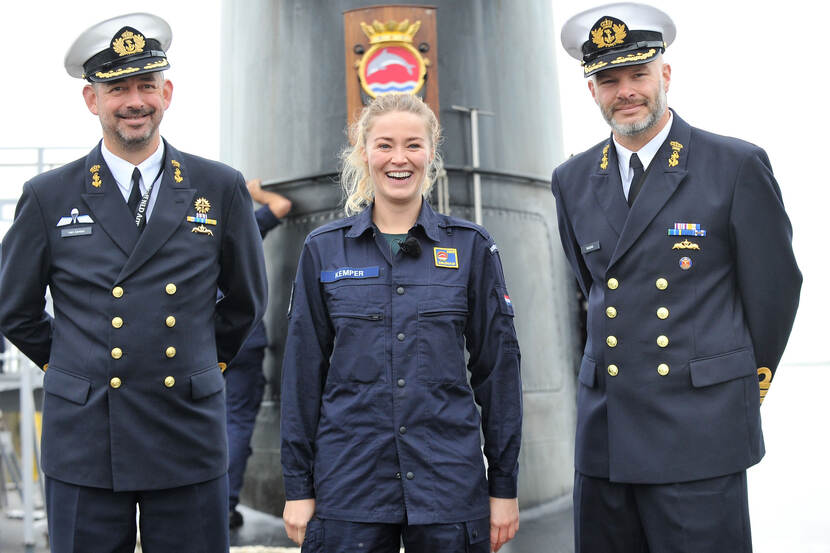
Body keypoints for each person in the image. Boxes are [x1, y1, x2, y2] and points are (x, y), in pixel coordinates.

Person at [0, 13, 267, 553]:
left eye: (146, 85)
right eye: (117, 88)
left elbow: (246, 303)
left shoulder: (219, 187)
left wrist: (197, 362)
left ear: (167, 93)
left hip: (185, 426)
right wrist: (76, 364)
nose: (134, 101)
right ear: (91, 100)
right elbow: (15, 308)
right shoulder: (49, 194)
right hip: (87, 433)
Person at [552, 4, 802, 552]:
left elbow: (775, 293)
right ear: (590, 88)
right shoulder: (570, 179)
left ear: (665, 75)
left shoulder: (732, 165)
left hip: (699, 433)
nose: (626, 92)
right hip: (607, 438)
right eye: (609, 80)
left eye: (638, 74)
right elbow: (589, 289)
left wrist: (736, 388)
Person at [280, 93, 522, 553]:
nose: (399, 158)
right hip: (350, 487)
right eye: (384, 144)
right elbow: (301, 375)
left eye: (413, 145)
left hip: (448, 485)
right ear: (363, 152)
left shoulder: (471, 248)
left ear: (431, 153)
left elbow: (499, 374)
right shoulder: (323, 249)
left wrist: (504, 487)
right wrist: (297, 487)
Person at [226, 178, 291, 530]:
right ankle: (225, 505)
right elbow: (281, 205)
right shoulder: (243, 224)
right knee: (236, 423)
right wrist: (257, 194)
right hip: (243, 341)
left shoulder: (196, 229)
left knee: (204, 423)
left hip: (202, 341)